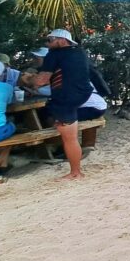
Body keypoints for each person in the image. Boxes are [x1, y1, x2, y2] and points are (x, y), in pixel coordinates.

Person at [20, 29, 93, 181]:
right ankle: (76, 170)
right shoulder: (79, 52)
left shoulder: (54, 55)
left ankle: (75, 173)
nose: (48, 44)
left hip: (64, 98)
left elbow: (41, 81)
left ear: (61, 40)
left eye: (50, 40)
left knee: (69, 138)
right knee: (70, 135)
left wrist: (26, 80)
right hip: (81, 95)